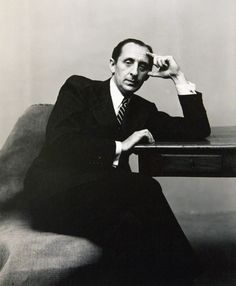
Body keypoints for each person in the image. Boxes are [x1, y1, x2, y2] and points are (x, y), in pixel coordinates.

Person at [23, 38, 210, 285]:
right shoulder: (79, 89)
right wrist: (121, 146)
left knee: (133, 233)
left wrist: (178, 77)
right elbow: (62, 142)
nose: (134, 72)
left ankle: (173, 277)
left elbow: (197, 129)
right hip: (54, 195)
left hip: (103, 200)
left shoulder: (143, 110)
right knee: (145, 188)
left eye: (143, 67)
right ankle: (187, 276)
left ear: (147, 75)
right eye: (128, 62)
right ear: (113, 65)